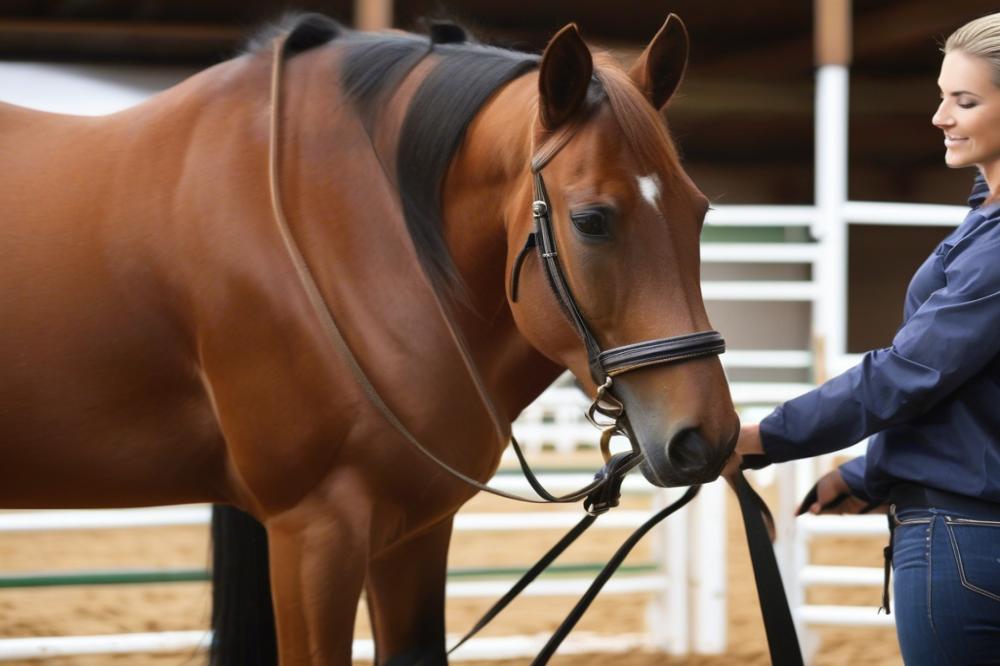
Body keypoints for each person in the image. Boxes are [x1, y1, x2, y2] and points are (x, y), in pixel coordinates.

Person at [730, 12, 1000, 666]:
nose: (940, 116)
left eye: (964, 101)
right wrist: (871, 472)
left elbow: (910, 374)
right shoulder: (983, 218)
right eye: (942, 96)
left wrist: (761, 439)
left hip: (962, 538)